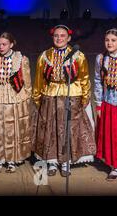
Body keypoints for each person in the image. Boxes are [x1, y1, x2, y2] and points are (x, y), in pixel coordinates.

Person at [32, 24, 96, 177]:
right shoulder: (45, 56)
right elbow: (39, 80)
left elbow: (84, 78)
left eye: (62, 36)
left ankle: (66, 161)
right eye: (56, 35)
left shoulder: (78, 55)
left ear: (69, 38)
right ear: (52, 37)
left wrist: (85, 97)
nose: (59, 38)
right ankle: (52, 160)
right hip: (50, 96)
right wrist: (37, 98)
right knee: (51, 129)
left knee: (68, 129)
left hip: (71, 96)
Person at [0, 32, 32, 173]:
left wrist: (27, 96)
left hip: (14, 96)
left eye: (4, 44)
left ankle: (12, 159)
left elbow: (27, 80)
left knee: (12, 129)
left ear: (11, 44)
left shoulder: (21, 59)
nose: (1, 47)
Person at [94, 28, 117, 181]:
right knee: (112, 135)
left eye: (113, 40)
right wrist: (98, 104)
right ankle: (114, 165)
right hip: (108, 102)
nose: (109, 43)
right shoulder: (101, 59)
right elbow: (97, 81)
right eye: (107, 40)